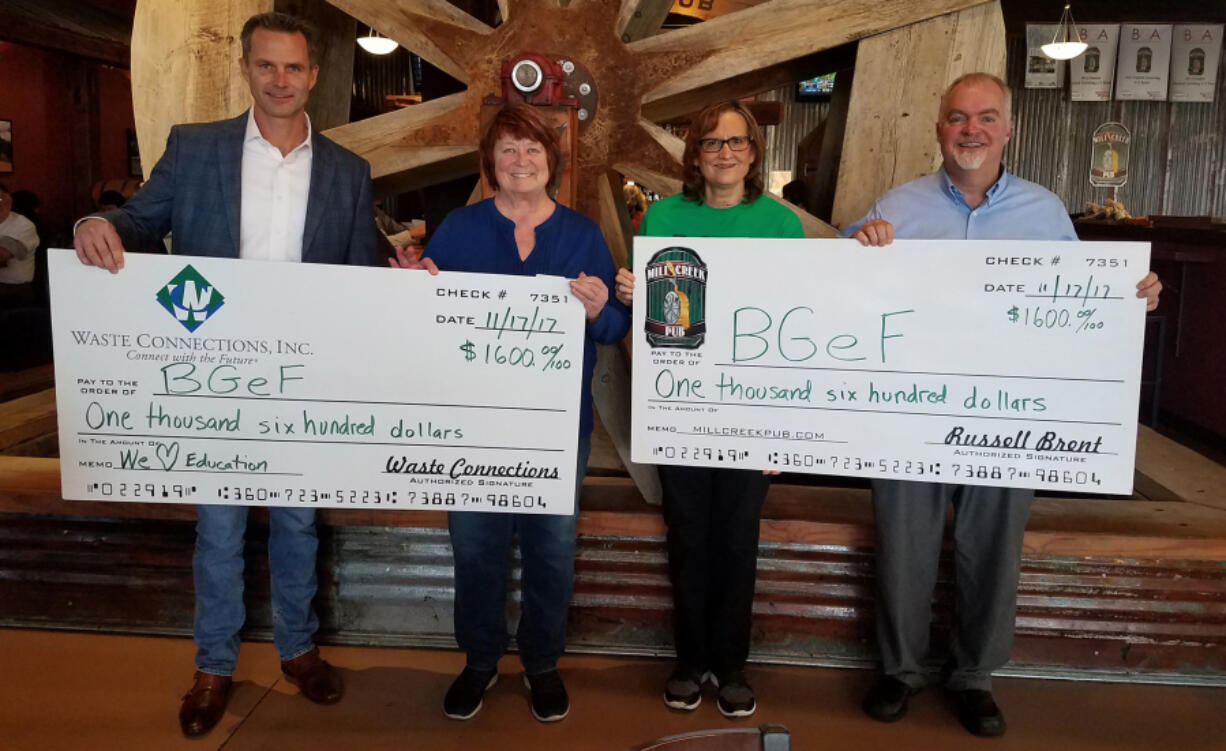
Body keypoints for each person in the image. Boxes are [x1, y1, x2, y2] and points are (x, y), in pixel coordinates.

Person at [72, 11, 377, 738]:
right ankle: (213, 665)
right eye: (267, 66)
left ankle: (298, 650)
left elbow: (364, 277)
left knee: (300, 522)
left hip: (304, 381)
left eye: (294, 68)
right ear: (245, 68)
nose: (281, 80)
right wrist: (96, 223)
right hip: (213, 375)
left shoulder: (348, 170)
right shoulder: (195, 146)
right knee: (219, 528)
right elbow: (142, 222)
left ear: (314, 75)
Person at [846, 72, 1161, 738]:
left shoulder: (1045, 213)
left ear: (1008, 129)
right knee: (903, 541)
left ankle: (973, 676)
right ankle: (900, 671)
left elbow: (1086, 303)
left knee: (994, 546)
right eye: (958, 117)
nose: (971, 130)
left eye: (985, 118)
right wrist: (857, 247)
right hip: (912, 409)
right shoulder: (896, 206)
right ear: (939, 128)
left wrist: (1133, 295)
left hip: (1007, 416)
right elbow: (837, 291)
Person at [391, 103, 629, 723]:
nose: (521, 160)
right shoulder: (460, 228)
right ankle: (478, 661)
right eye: (508, 150)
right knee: (474, 544)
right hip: (470, 425)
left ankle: (543, 664)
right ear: (490, 162)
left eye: (532, 149)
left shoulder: (580, 234)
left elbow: (611, 328)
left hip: (555, 426)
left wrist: (600, 308)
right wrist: (414, 288)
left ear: (552, 160)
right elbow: (427, 318)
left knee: (551, 546)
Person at [613, 100, 803, 718]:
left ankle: (732, 665)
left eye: (737, 142)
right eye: (712, 143)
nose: (725, 152)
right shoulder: (663, 216)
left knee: (737, 539)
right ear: (694, 153)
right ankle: (689, 660)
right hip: (681, 409)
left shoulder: (780, 224)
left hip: (750, 410)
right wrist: (635, 294)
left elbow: (793, 328)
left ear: (754, 151)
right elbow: (653, 322)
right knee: (688, 537)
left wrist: (782, 429)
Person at [0, 183, 40, 297]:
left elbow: (2, 257)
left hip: (14, 289)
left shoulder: (23, 225)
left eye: (1, 198)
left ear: (9, 200)